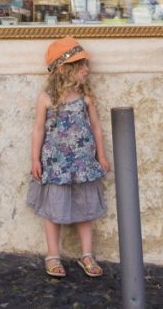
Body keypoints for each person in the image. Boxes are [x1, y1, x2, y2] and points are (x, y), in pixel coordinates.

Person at [27, 36, 110, 278]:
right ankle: (53, 254)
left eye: (86, 65)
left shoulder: (86, 98)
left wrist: (101, 156)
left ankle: (87, 254)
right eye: (81, 65)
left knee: (85, 208)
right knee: (53, 209)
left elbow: (96, 127)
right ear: (64, 69)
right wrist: (35, 160)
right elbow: (38, 129)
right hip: (55, 165)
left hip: (83, 164)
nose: (87, 70)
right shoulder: (46, 98)